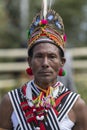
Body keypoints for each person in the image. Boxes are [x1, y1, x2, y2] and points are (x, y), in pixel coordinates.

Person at [0, 1, 87, 130]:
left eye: (52, 57)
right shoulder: (11, 102)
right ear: (29, 61)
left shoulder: (76, 105)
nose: (45, 63)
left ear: (62, 62)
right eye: (39, 56)